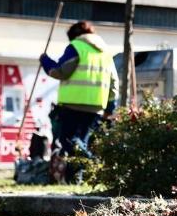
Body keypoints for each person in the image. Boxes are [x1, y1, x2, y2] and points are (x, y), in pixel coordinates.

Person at [40, 21, 118, 160]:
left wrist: (45, 61)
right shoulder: (106, 52)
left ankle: (91, 162)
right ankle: (76, 177)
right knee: (82, 141)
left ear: (74, 36)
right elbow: (114, 82)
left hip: (73, 103)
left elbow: (60, 71)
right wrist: (110, 108)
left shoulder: (76, 46)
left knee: (69, 141)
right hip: (96, 106)